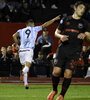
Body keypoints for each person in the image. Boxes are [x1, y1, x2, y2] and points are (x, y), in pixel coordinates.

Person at [47, 1, 90, 100]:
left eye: (84, 9)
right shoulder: (65, 19)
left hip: (75, 52)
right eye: (80, 8)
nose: (82, 10)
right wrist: (61, 36)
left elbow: (89, 39)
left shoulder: (85, 23)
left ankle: (62, 95)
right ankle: (54, 90)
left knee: (68, 73)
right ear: (75, 8)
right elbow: (56, 33)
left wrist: (85, 36)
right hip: (62, 49)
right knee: (56, 71)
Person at [12, 16, 60, 89]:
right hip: (29, 50)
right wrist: (54, 19)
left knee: (24, 66)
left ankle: (26, 83)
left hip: (21, 50)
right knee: (27, 66)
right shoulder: (34, 29)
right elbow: (45, 24)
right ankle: (23, 72)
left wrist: (16, 44)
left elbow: (14, 36)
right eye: (33, 23)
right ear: (31, 24)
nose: (34, 25)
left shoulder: (21, 30)